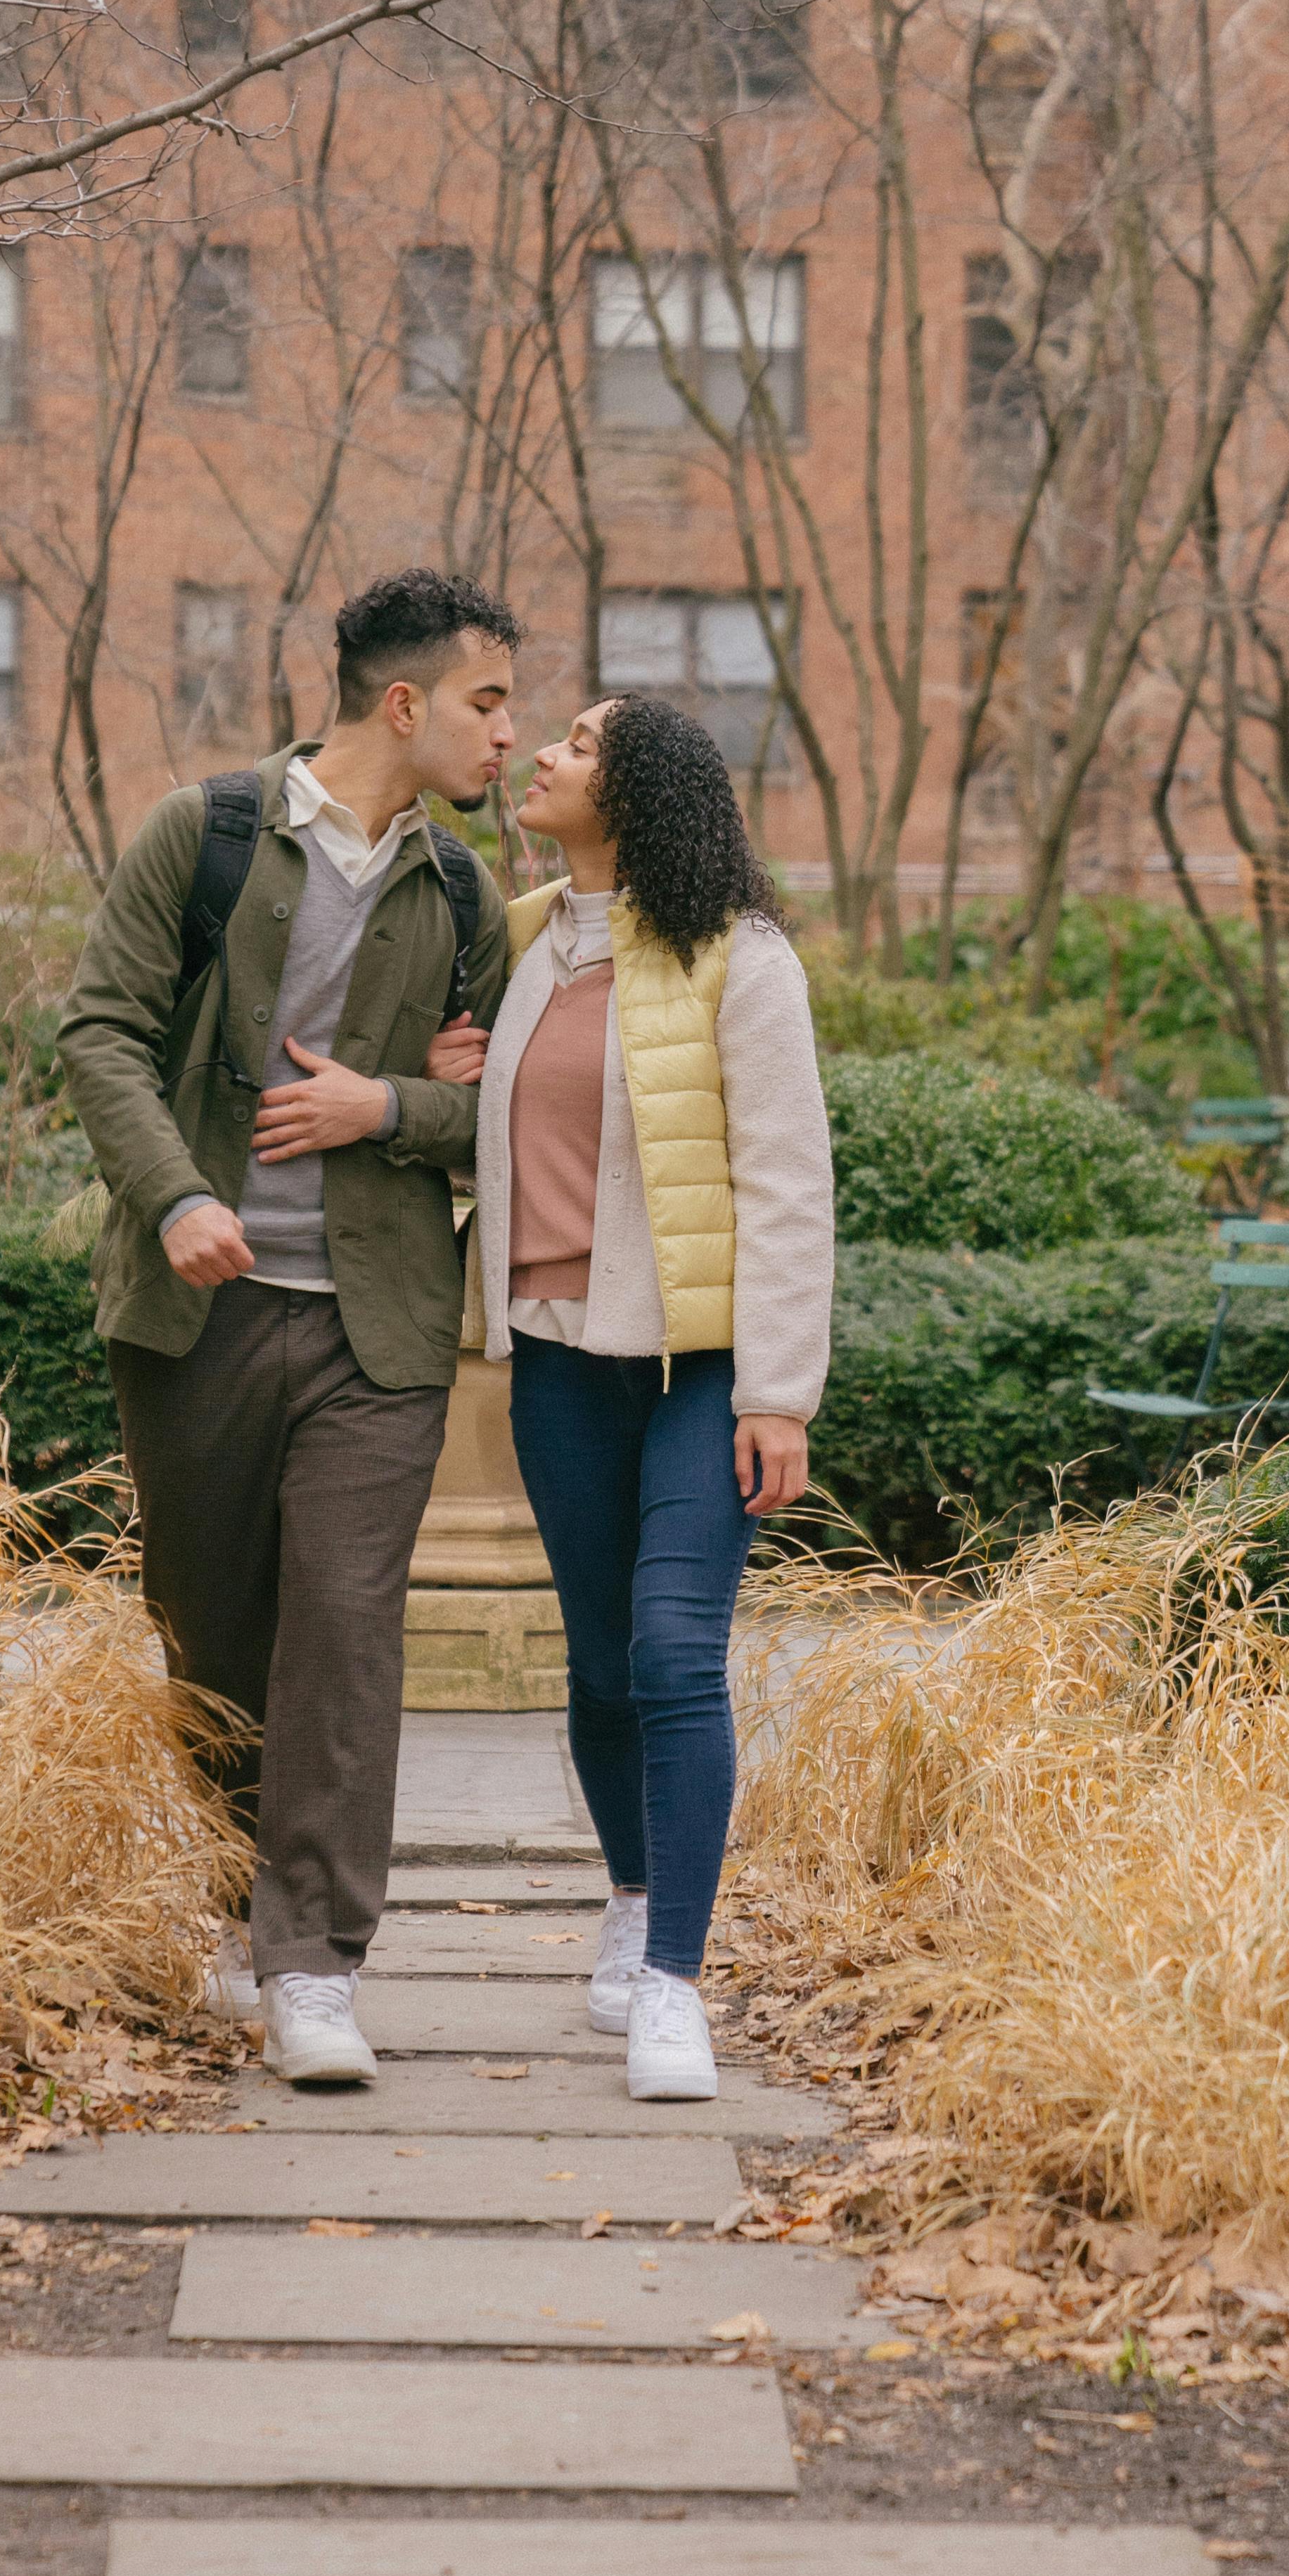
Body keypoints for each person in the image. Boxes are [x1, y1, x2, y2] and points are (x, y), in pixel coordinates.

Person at [57, 569, 520, 2087]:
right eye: (485, 702)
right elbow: (98, 1029)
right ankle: (220, 1901)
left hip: (375, 1329)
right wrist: (179, 1194)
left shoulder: (460, 895)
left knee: (344, 1628)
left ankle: (313, 1961)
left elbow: (493, 1113)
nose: (504, 734)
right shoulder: (205, 838)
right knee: (212, 1633)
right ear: (404, 703)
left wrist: (388, 1104)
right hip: (196, 1315)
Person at [447, 690, 833, 2101]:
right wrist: (451, 1091)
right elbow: (489, 1137)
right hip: (552, 1352)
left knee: (673, 1654)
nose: (540, 755)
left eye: (576, 744)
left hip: (699, 1365)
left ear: (640, 791)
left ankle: (673, 1979)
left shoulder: (743, 959)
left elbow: (788, 1185)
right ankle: (624, 1900)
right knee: (600, 1663)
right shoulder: (521, 940)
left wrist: (775, 1393)